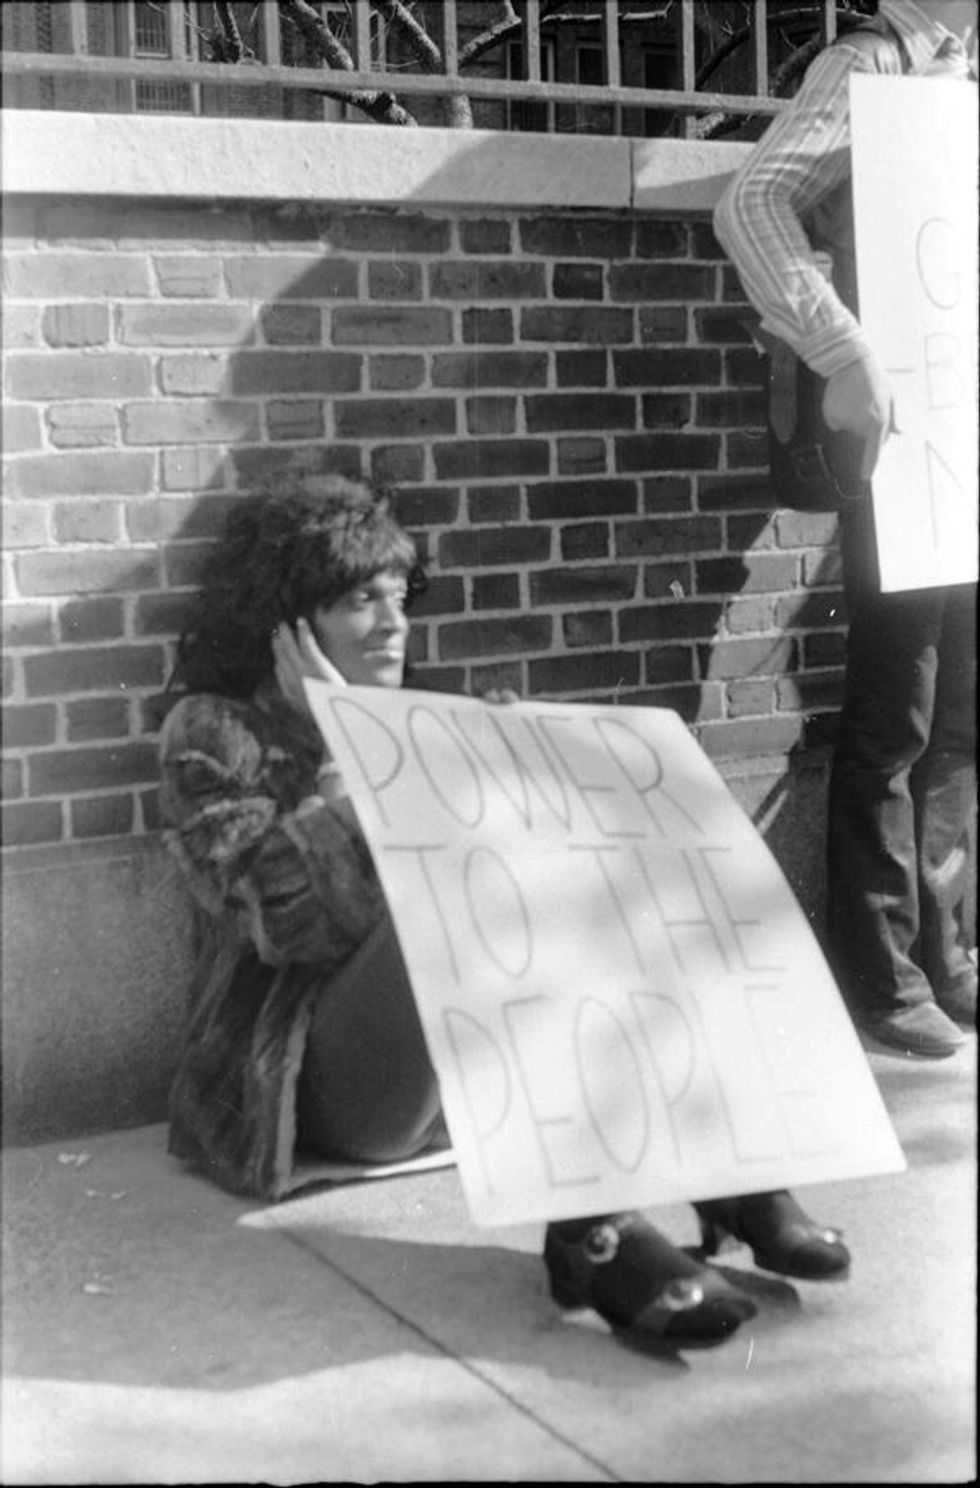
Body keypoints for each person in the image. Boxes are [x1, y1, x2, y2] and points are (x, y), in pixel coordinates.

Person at [159, 470, 850, 1357]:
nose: (393, 621)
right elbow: (282, 928)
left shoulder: (413, 715)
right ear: (288, 624)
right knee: (477, 869)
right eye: (360, 600)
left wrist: (509, 770)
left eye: (399, 594)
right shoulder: (211, 734)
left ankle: (729, 1174)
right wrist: (352, 759)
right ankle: (594, 1235)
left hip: (455, 1082)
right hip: (308, 1083)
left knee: (583, 855)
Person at [713, 0, 978, 1059]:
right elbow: (752, 203)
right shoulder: (871, 63)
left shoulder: (963, 71)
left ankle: (944, 949)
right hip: (908, 438)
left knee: (961, 711)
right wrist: (842, 349)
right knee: (898, 706)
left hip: (964, 429)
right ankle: (880, 966)